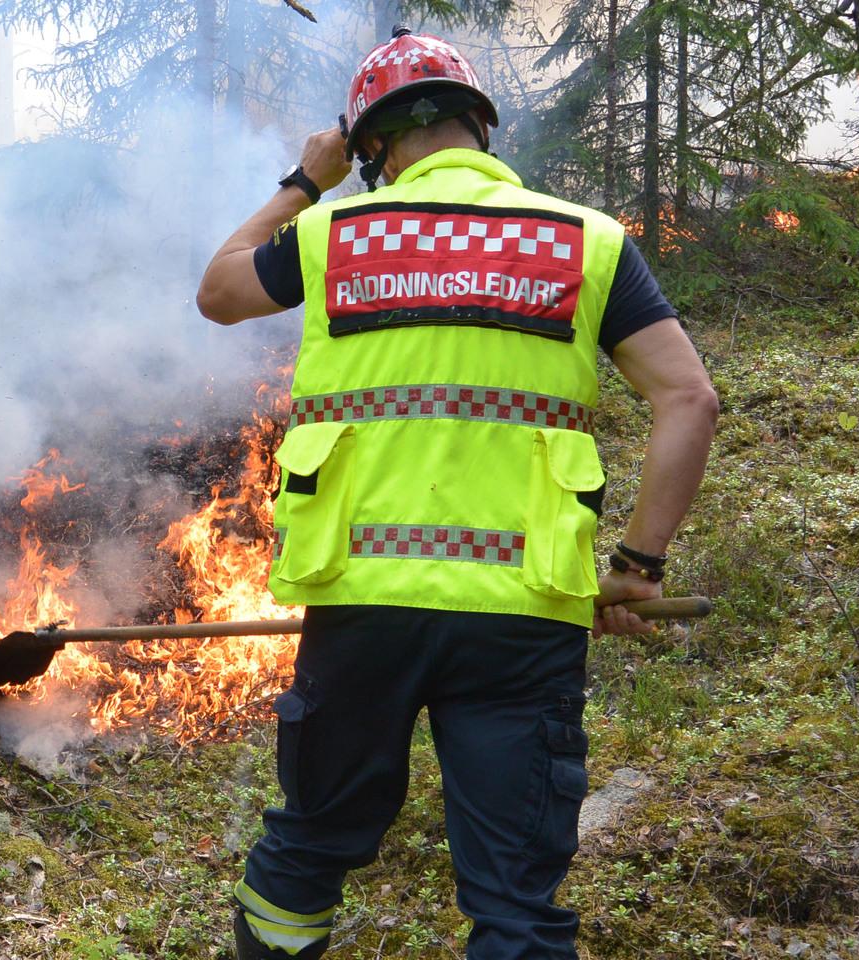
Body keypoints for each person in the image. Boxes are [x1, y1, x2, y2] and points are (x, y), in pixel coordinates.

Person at [194, 27, 719, 960]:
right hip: (522, 619)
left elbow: (220, 290)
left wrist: (303, 183)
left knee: (307, 853)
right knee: (517, 902)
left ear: (374, 149)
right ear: (481, 126)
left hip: (361, 608)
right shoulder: (587, 242)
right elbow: (689, 397)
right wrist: (636, 567)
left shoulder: (332, 233)